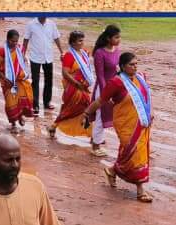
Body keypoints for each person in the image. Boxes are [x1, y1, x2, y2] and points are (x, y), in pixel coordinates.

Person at [84, 51, 153, 202]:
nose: (135, 67)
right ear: (122, 66)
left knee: (133, 153)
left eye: (136, 64)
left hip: (141, 123)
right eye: (131, 65)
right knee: (132, 152)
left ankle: (112, 171)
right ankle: (140, 190)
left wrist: (150, 114)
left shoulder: (141, 78)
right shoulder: (116, 82)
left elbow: (146, 98)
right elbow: (101, 100)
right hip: (125, 123)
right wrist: (87, 112)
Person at [50, 30, 94, 144]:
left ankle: (92, 134)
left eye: (83, 40)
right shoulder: (69, 56)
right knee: (69, 110)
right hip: (74, 88)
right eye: (80, 41)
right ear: (73, 42)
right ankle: (53, 126)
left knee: (87, 108)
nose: (82, 43)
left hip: (84, 88)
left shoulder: (85, 53)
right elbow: (65, 73)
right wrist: (76, 83)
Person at [89, 24, 122, 157]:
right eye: (116, 37)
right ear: (108, 38)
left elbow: (118, 70)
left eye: (119, 37)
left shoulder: (117, 50)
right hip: (103, 88)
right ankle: (95, 146)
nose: (119, 40)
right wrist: (105, 93)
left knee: (108, 115)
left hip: (113, 87)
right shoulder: (99, 53)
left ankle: (96, 138)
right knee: (100, 116)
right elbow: (100, 75)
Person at [0, 29, 35, 133]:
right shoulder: (1, 50)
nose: (14, 43)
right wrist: (5, 78)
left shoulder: (20, 48)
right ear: (7, 39)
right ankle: (13, 123)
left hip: (19, 79)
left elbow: (21, 60)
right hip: (7, 81)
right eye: (12, 41)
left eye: (16, 41)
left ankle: (20, 116)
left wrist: (25, 62)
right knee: (10, 101)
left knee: (22, 99)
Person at [23, 16, 62, 113]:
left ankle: (47, 102)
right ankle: (35, 105)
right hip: (35, 57)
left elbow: (56, 38)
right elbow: (26, 40)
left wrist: (62, 52)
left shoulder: (51, 24)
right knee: (35, 81)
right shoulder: (31, 24)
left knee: (49, 80)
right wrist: (22, 54)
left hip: (48, 57)